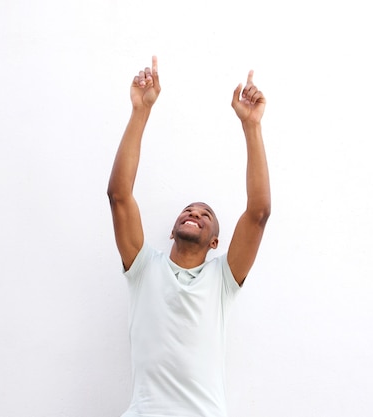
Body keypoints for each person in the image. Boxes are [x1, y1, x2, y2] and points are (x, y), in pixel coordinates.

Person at [107, 56, 271, 417]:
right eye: (188, 210)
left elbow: (258, 214)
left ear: (215, 241)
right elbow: (119, 196)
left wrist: (252, 128)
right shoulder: (143, 267)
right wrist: (140, 111)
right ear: (172, 230)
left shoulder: (223, 280)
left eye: (206, 214)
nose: (195, 213)